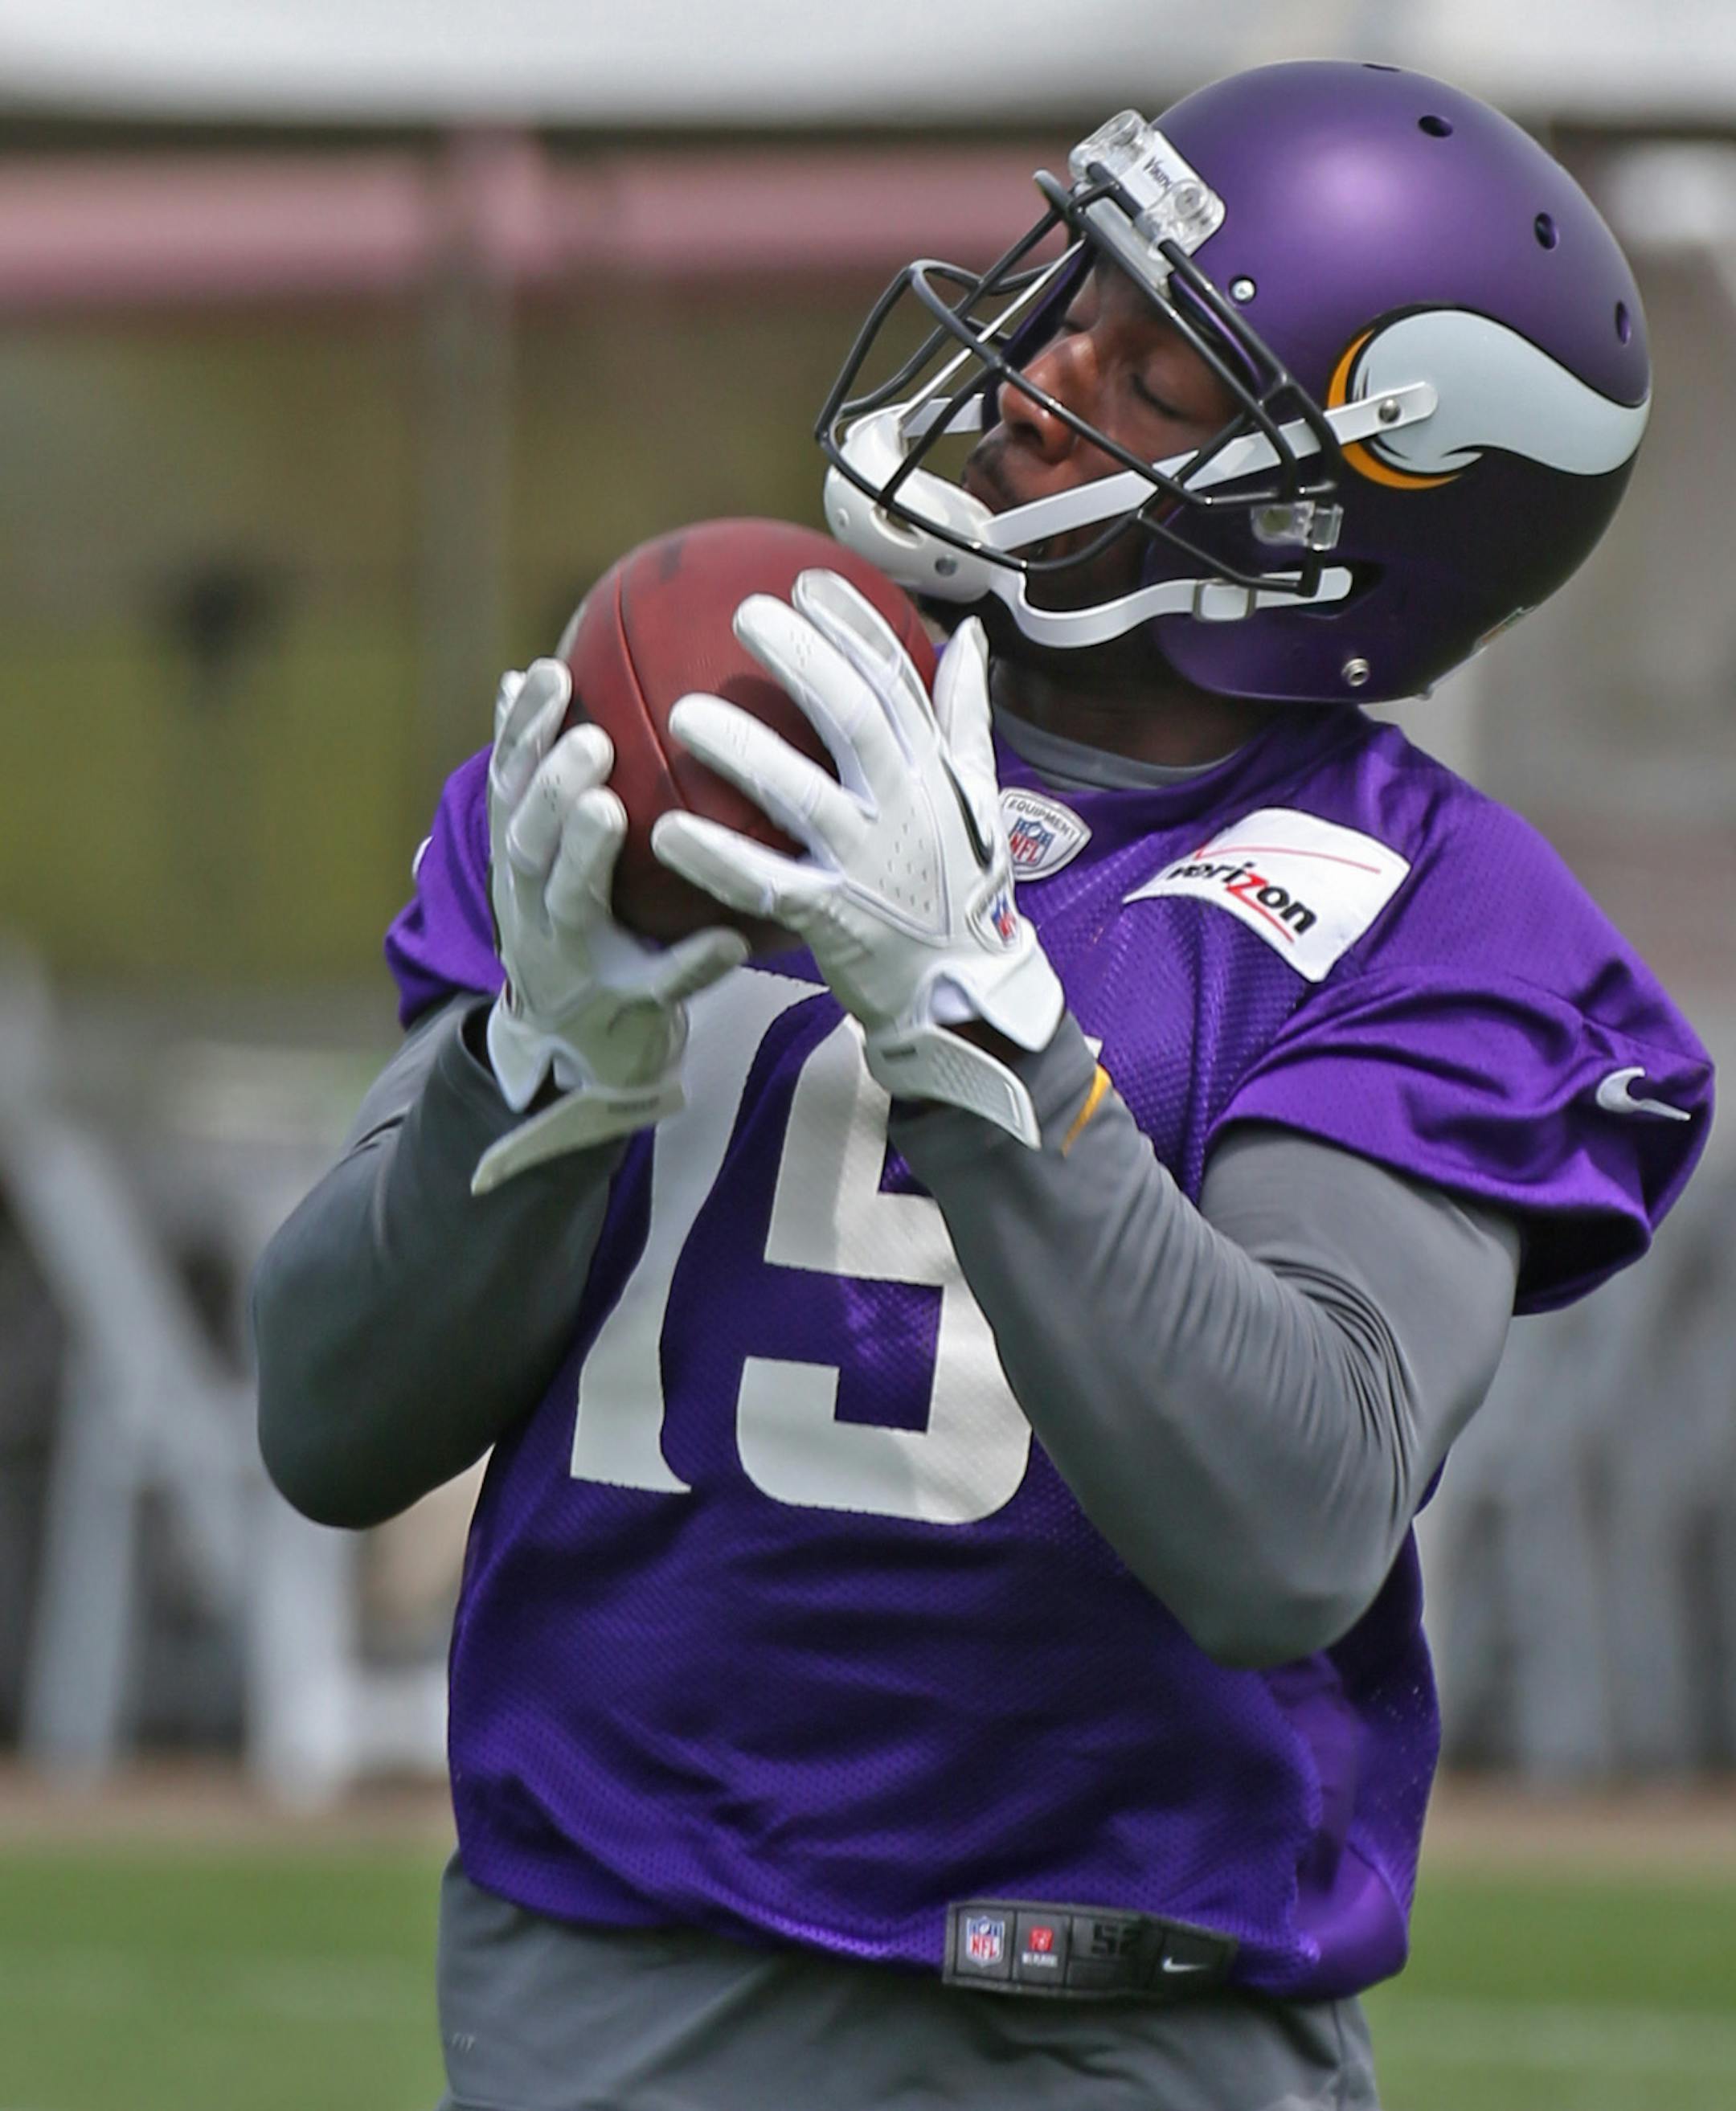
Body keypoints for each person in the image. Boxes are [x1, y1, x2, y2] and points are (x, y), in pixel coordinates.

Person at [253, 59, 1711, 2111]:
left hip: (1113, 2019)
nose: (1040, 374)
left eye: (1163, 375)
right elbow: (326, 1422)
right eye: (1075, 297)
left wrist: (983, 1026)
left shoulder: (1433, 912)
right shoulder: (708, 724)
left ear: (1352, 514)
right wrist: (541, 1075)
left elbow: (1285, 1524)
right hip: (611, 1975)